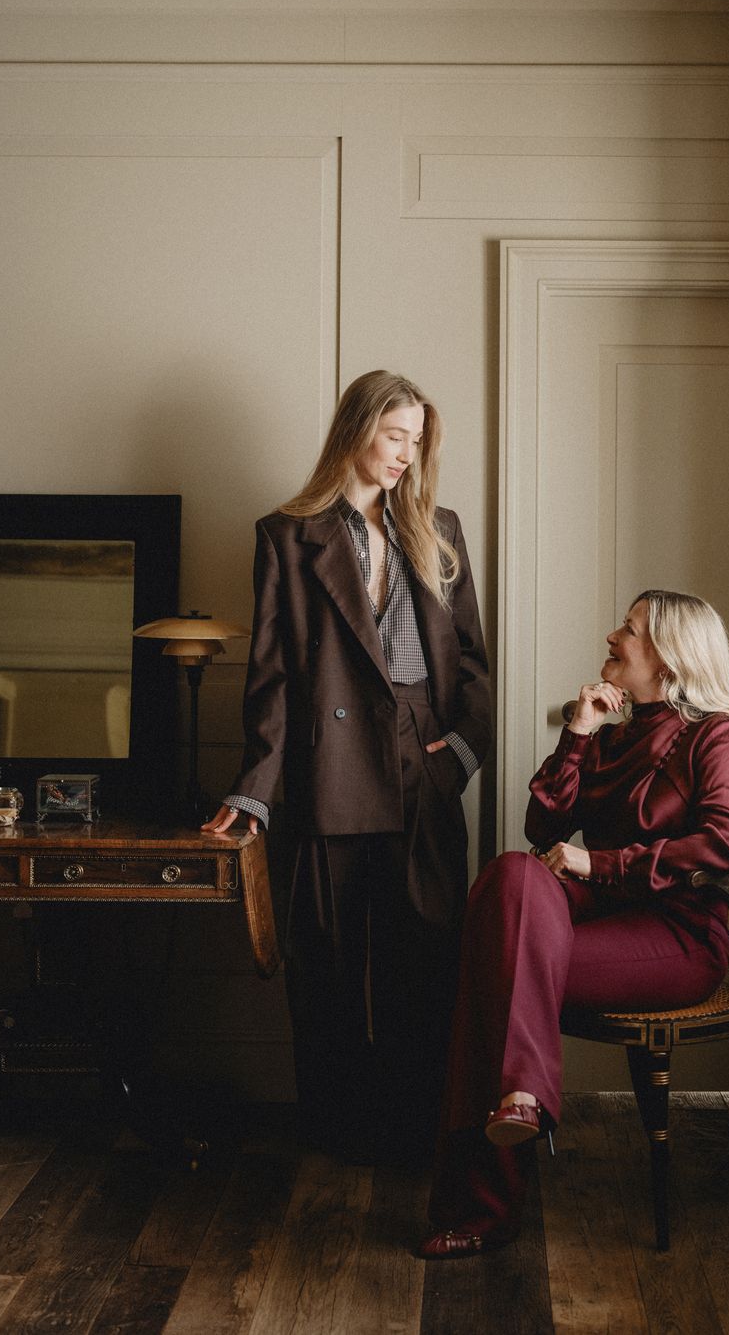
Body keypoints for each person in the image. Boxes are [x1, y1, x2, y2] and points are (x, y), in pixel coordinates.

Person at [419, 589, 729, 1257]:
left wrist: (598, 862)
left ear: (668, 655)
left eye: (630, 630)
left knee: (496, 964)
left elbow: (724, 843)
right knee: (513, 873)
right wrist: (577, 733)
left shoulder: (716, 732)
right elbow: (541, 827)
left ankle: (484, 1202)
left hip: (675, 937)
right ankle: (519, 1096)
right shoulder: (613, 731)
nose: (612, 635)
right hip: (599, 921)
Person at [202, 369, 492, 1159]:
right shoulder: (288, 534)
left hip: (419, 755)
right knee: (325, 955)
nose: (407, 452)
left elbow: (472, 664)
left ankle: (416, 1128)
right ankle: (335, 1129)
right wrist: (255, 791)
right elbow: (272, 676)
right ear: (357, 430)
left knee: (425, 952)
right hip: (329, 762)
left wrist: (461, 751)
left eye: (417, 439)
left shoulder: (443, 530)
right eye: (394, 434)